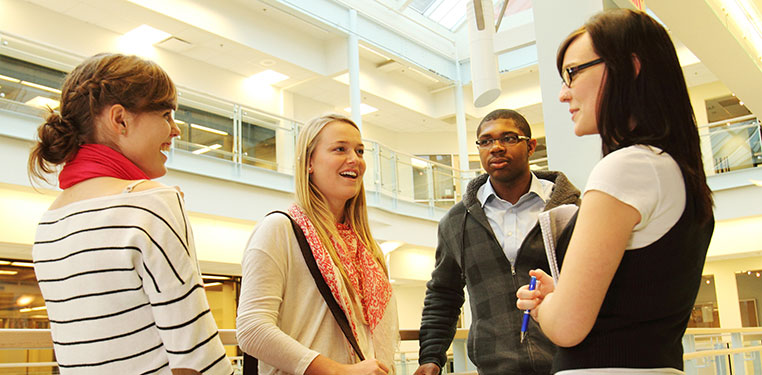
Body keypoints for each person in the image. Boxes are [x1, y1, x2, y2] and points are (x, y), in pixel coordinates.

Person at [515, 9, 715, 374]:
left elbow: (567, 327)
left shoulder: (626, 168)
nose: (563, 94)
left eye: (572, 73)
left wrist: (545, 308)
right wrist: (560, 300)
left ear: (630, 66)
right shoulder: (674, 170)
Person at [28, 53, 233, 374]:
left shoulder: (50, 221)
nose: (175, 130)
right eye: (166, 114)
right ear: (119, 119)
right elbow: (195, 355)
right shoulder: (152, 204)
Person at [414, 109, 581, 375]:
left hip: (569, 364)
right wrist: (431, 357)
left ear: (531, 146)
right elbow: (443, 295)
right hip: (495, 368)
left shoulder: (570, 211)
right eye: (486, 141)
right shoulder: (457, 222)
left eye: (509, 138)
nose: (497, 147)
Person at [236, 114, 398, 375]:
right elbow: (252, 329)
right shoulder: (280, 229)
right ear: (309, 162)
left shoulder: (365, 248)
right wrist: (339, 371)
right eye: (340, 149)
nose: (354, 159)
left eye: (359, 151)